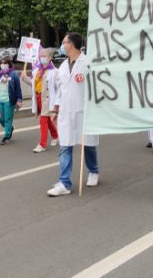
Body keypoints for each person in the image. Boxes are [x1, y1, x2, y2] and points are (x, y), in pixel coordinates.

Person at [47, 33, 99, 197]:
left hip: (84, 111)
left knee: (88, 144)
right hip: (66, 112)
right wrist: (55, 109)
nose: (62, 45)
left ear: (72, 44)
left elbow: (96, 88)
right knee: (65, 146)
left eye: (64, 42)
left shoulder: (88, 63)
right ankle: (64, 183)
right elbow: (60, 92)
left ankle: (94, 170)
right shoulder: (62, 66)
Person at [21, 48, 59, 153]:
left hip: (48, 99)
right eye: (41, 55)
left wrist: (57, 104)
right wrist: (25, 78)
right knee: (46, 119)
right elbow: (33, 84)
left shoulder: (55, 72)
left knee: (43, 120)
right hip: (38, 98)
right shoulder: (37, 70)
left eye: (45, 55)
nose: (42, 57)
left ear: (50, 57)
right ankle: (55, 135)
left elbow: (59, 87)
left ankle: (42, 144)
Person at [0, 57, 22, 145]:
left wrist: (19, 100)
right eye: (1, 63)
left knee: (8, 119)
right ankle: (9, 128)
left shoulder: (13, 74)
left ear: (9, 64)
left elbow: (18, 88)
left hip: (9, 100)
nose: (3, 65)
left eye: (5, 63)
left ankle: (6, 136)